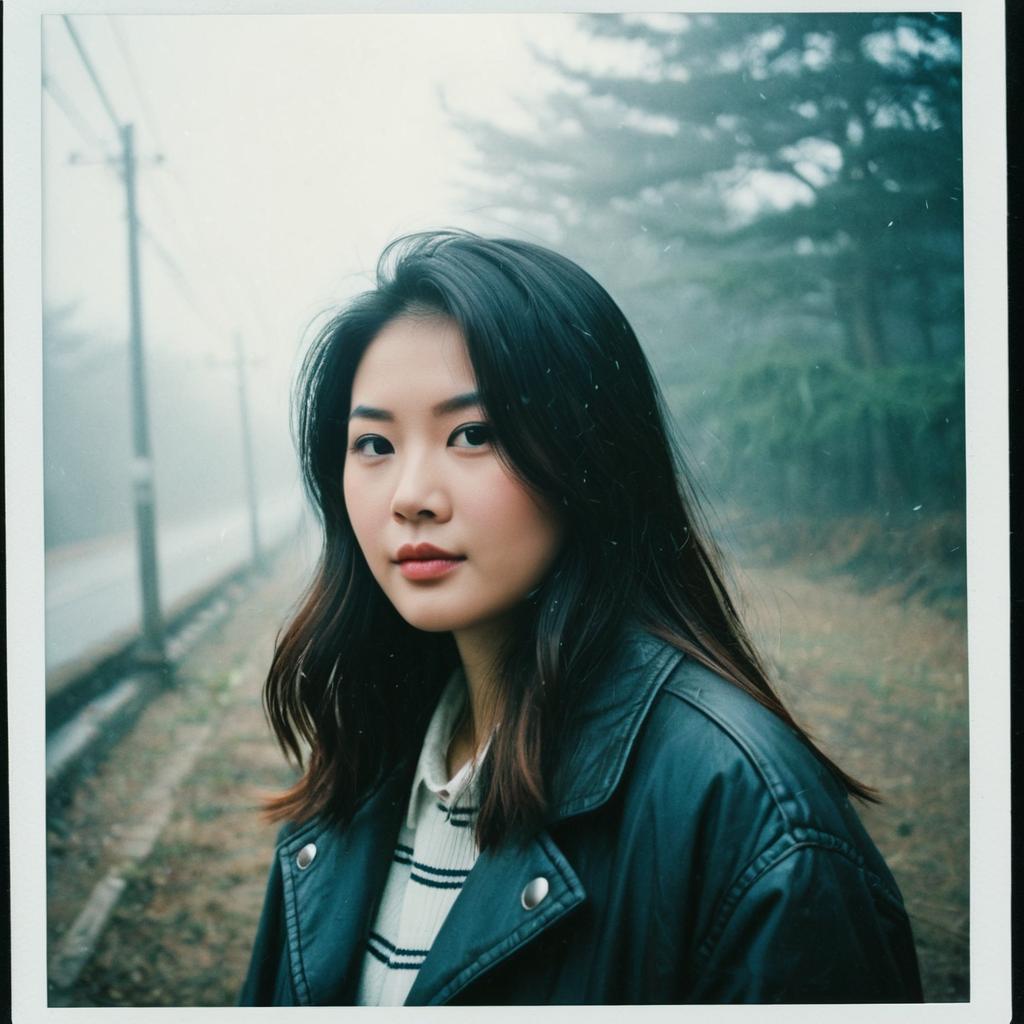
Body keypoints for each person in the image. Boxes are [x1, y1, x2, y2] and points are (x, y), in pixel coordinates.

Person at [238, 230, 923, 1006]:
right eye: (373, 444)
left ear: (587, 454)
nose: (410, 495)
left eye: (473, 434)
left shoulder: (744, 814)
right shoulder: (362, 759)